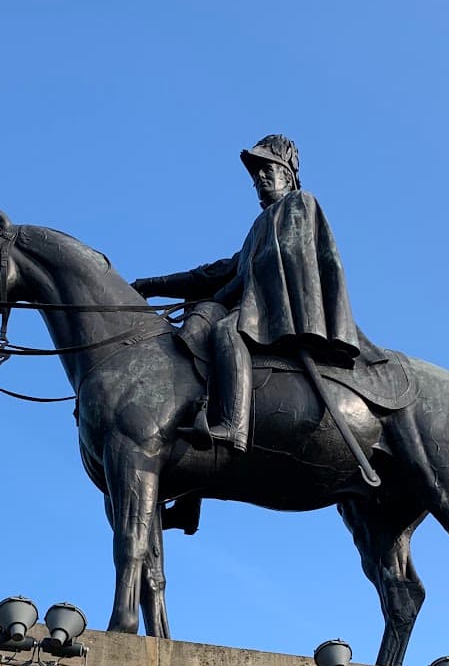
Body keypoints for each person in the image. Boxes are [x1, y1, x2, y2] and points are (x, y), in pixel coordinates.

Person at [134, 135, 380, 451]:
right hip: (255, 303)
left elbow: (283, 256)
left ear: (287, 175)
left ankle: (232, 426)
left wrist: (224, 293)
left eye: (268, 169)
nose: (260, 177)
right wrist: (151, 285)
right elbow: (216, 271)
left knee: (226, 330)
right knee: (200, 322)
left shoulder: (300, 202)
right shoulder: (260, 225)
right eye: (256, 173)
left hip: (275, 307)